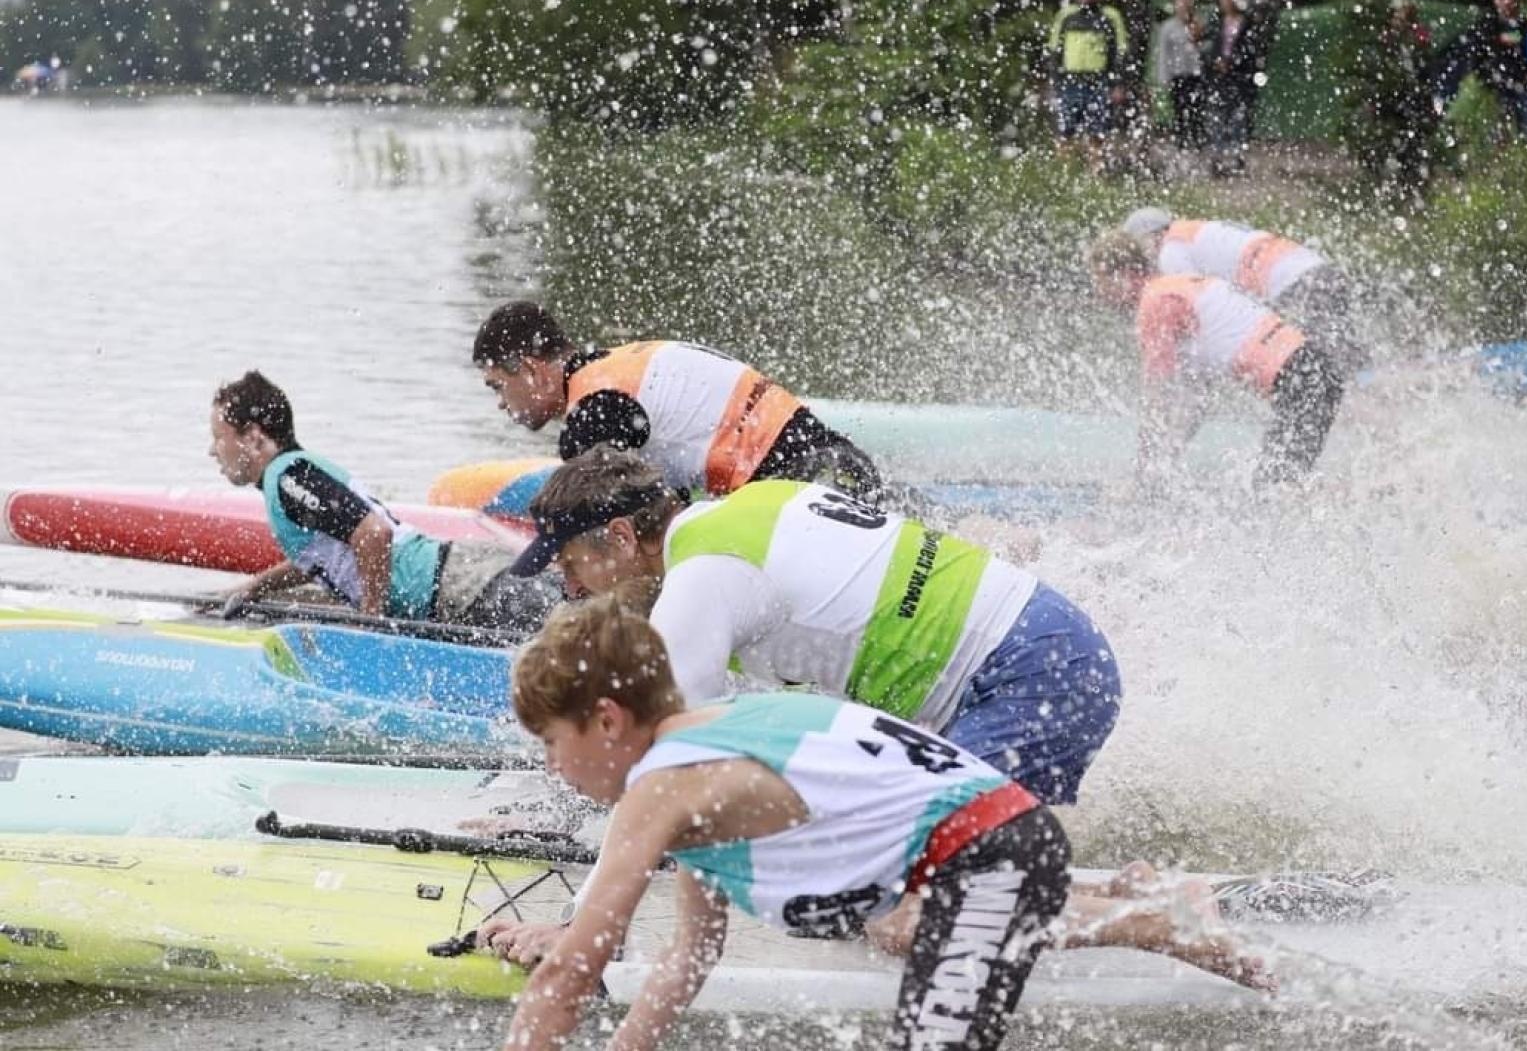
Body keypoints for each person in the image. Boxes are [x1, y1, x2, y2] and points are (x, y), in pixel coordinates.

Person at [482, 446, 1271, 988]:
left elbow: (663, 765)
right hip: (1053, 648)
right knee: (888, 873)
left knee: (896, 919)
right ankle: (1123, 888)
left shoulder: (700, 580)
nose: (572, 587)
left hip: (1029, 676)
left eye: (572, 563)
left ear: (620, 539)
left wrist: (583, 925)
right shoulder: (751, 503)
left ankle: (1155, 916)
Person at [486, 595, 1270, 1051]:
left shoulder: (659, 788)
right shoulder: (704, 752)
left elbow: (568, 972)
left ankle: (1152, 917)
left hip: (986, 857)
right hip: (995, 842)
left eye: (554, 741)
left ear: (609, 719)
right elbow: (689, 956)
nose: (554, 764)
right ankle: (1156, 917)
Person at [208, 370, 557, 627]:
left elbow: (373, 532)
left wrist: (370, 620)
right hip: (459, 580)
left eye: (218, 437)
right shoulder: (294, 475)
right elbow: (325, 558)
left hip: (463, 586)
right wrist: (254, 588)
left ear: (253, 437)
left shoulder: (288, 479)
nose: (212, 450)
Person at [472, 301, 883, 505]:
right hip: (841, 466)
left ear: (529, 370)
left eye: (497, 386)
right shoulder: (621, 364)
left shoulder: (592, 415)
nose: (499, 405)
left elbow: (614, 538)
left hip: (804, 490)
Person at [1086, 230, 1345, 490]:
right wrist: (1166, 461)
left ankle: (1346, 500)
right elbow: (1195, 401)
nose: (1099, 293)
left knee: (1274, 490)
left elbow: (1158, 397)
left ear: (1124, 274)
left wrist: (1142, 478)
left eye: (1101, 281)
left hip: (1301, 380)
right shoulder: (1181, 284)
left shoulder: (1156, 304)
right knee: (1279, 483)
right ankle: (1349, 497)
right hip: (1315, 371)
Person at [1120, 207, 1361, 374]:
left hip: (1292, 284)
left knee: (1321, 364)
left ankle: (1373, 414)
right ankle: (1380, 404)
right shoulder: (1193, 230)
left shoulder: (1171, 251)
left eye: (1139, 247)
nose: (1144, 258)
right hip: (1317, 272)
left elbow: (1190, 306)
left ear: (1151, 236)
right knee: (1346, 358)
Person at [1045, 0, 1130, 173]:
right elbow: (1054, 51)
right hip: (1070, 82)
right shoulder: (1066, 15)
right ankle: (1063, 172)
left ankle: (1096, 172)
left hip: (1098, 82)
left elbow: (1121, 53)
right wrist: (1055, 81)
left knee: (1097, 131)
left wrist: (1118, 84)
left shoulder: (1110, 16)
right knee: (1065, 130)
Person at [1431, 0, 1527, 136]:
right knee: (1497, 133)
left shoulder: (1526, 26)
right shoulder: (1487, 26)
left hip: (1522, 86)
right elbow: (1477, 57)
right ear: (1496, 1)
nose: (1506, 2)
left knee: (1525, 130)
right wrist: (1487, 78)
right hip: (1494, 89)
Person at [1202, 0, 1266, 177]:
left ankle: (1237, 157)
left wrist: (1233, 62)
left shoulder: (1247, 25)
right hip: (1221, 80)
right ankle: (1219, 158)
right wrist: (1216, 62)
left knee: (1238, 119)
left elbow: (1251, 52)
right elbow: (1210, 48)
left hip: (1239, 79)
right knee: (1218, 118)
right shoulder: (1217, 24)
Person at [1155, 0, 1207, 154]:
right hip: (1178, 74)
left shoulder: (1198, 23)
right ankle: (1181, 141)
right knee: (1180, 108)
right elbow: (1164, 53)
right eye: (1180, 3)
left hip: (1196, 74)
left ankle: (1198, 141)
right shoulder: (1168, 27)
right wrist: (1164, 77)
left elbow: (1205, 48)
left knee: (1197, 109)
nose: (1183, 6)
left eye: (1186, 2)